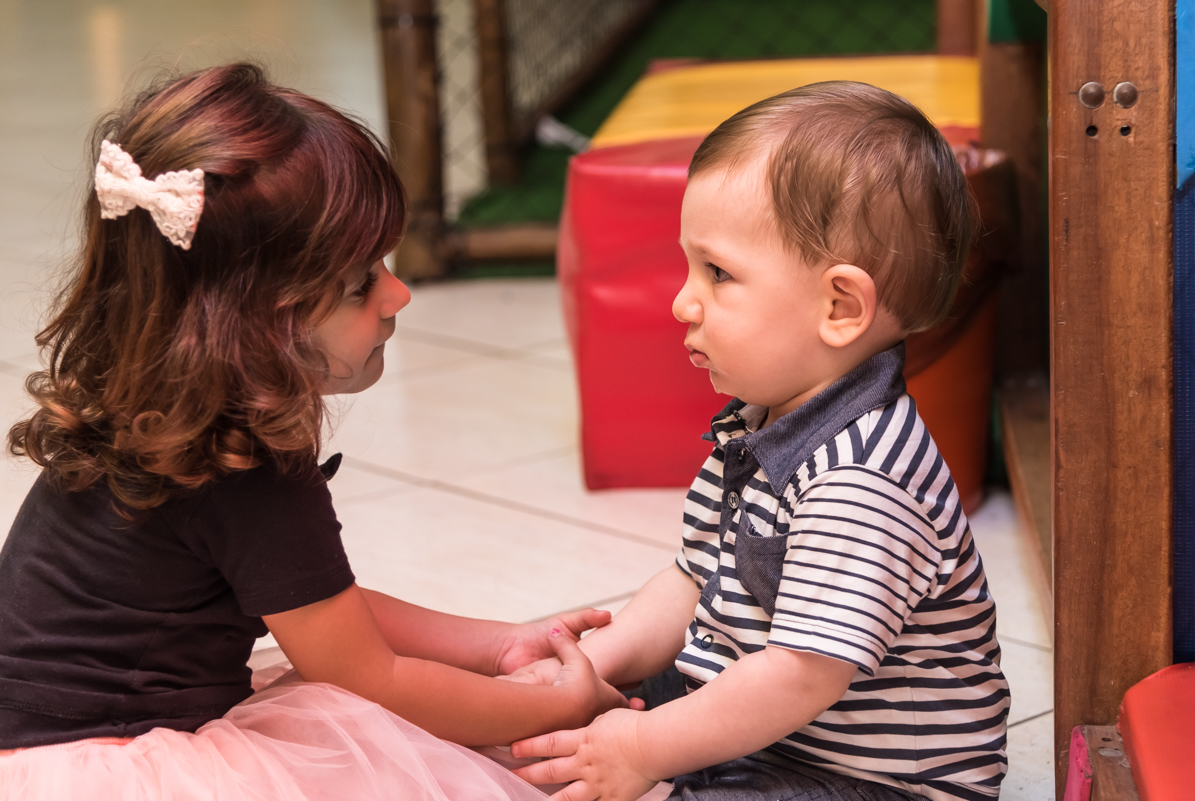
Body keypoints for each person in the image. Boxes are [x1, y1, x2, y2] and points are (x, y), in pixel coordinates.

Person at [0, 63, 630, 801]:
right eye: (362, 282)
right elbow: (365, 672)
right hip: (117, 764)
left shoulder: (151, 408)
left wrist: (493, 645)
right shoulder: (245, 467)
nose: (398, 293)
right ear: (255, 327)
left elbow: (316, 605)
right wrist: (556, 705)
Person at [504, 82, 1010, 801]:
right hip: (774, 720)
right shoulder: (759, 423)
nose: (683, 300)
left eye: (717, 273)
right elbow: (692, 579)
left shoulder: (862, 481)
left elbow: (798, 675)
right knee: (600, 695)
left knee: (664, 754)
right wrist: (600, 660)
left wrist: (645, 747)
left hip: (868, 779)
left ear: (840, 307)